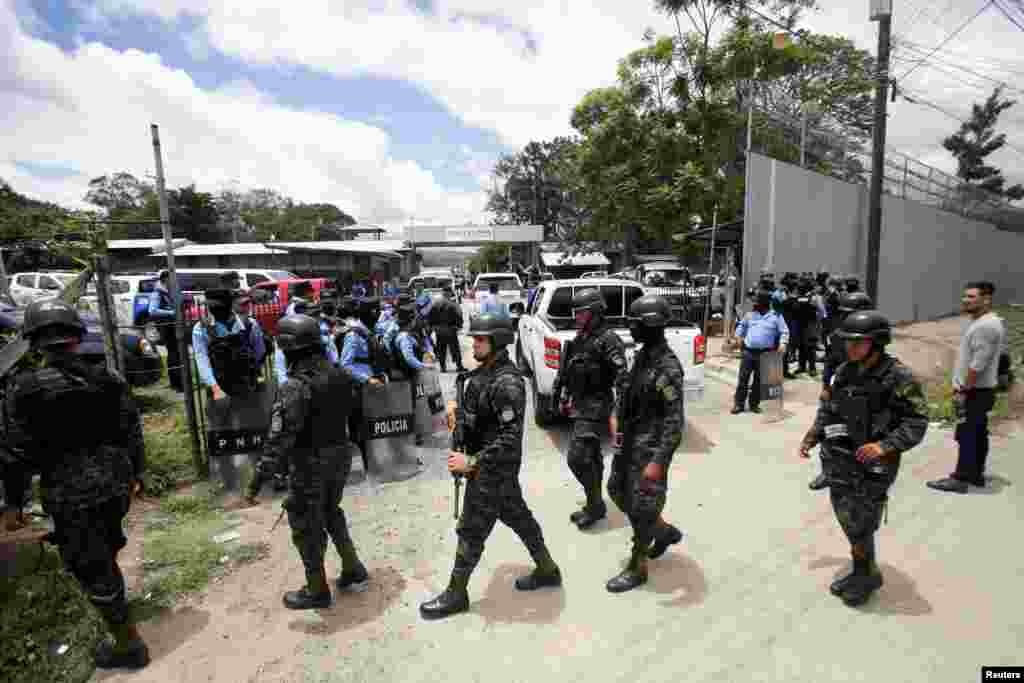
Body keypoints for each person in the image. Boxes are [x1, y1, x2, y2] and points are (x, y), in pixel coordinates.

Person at [3, 300, 149, 668]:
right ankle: (117, 608)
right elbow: (133, 431)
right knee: (106, 547)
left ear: (34, 342)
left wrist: (14, 504)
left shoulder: (24, 389)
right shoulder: (109, 378)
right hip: (115, 483)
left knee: (89, 564)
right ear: (77, 336)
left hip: (71, 492)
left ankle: (128, 645)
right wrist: (136, 473)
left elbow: (17, 453)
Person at [419, 313, 561, 619]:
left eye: (480, 339)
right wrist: (459, 420)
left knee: (471, 530)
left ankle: (456, 594)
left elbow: (510, 440)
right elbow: (479, 419)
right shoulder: (483, 373)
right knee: (519, 517)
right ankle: (548, 569)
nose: (474, 344)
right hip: (490, 471)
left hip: (491, 471)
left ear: (497, 342)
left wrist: (472, 461)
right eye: (474, 339)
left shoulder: (507, 383)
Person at [799, 310, 929, 607]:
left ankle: (867, 575)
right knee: (847, 518)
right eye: (848, 342)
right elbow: (830, 410)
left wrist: (885, 445)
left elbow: (917, 421)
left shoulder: (897, 376)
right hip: (842, 461)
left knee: (862, 522)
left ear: (877, 342)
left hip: (874, 466)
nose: (851, 347)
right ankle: (862, 570)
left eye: (859, 342)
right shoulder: (846, 370)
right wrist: (812, 436)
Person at [255, 314, 369, 608]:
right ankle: (353, 567)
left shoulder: (294, 385)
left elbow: (280, 436)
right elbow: (357, 416)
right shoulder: (340, 373)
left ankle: (316, 589)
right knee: (331, 510)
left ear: (289, 348)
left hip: (310, 461)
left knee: (306, 522)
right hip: (340, 455)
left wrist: (260, 476)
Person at [605, 295, 686, 592]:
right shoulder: (643, 356)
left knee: (642, 507)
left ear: (650, 325)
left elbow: (674, 422)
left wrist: (658, 461)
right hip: (628, 444)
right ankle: (661, 531)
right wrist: (616, 417)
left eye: (635, 324)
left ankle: (637, 567)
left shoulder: (668, 367)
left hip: (650, 449)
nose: (631, 329)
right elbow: (628, 392)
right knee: (615, 490)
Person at [551, 288, 628, 530]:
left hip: (597, 404)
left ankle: (595, 504)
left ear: (595, 313)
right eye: (576, 313)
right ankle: (595, 505)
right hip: (581, 403)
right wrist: (562, 393)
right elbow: (567, 370)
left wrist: (620, 412)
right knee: (590, 456)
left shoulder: (608, 340)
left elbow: (622, 376)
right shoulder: (580, 339)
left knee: (577, 457)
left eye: (581, 313)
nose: (577, 317)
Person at [927, 281, 1006, 493]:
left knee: (967, 434)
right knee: (977, 433)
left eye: (971, 297)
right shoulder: (986, 322)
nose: (965, 300)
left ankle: (961, 478)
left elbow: (977, 365)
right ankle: (975, 475)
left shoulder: (986, 326)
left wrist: (963, 391)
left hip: (974, 392)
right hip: (979, 391)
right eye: (965, 296)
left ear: (986, 299)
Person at [808, 291, 874, 491]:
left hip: (863, 395)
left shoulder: (874, 335)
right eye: (845, 313)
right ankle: (828, 472)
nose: (846, 317)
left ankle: (863, 474)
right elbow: (830, 361)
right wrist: (826, 387)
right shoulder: (838, 334)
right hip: (838, 391)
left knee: (862, 435)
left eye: (850, 313)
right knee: (830, 433)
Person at [732, 291, 789, 414]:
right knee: (743, 379)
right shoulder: (750, 315)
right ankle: (738, 404)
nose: (755, 304)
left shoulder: (776, 316)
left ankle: (754, 404)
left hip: (765, 353)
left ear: (765, 304)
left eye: (758, 302)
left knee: (758, 381)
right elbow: (741, 326)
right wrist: (738, 337)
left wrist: (782, 344)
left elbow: (784, 332)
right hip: (748, 352)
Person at [148, 270, 183, 392]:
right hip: (166, 326)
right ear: (164, 279)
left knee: (178, 354)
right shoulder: (157, 293)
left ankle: (179, 382)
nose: (175, 280)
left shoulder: (171, 291)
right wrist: (171, 312)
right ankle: (176, 383)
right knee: (174, 354)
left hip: (174, 325)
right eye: (172, 278)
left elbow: (179, 302)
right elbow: (152, 311)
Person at [431, 287, 465, 373]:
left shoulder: (436, 303)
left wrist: (433, 327)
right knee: (454, 348)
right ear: (450, 293)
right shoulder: (453, 304)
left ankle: (443, 367)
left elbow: (431, 316)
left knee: (441, 348)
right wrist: (459, 326)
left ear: (442, 293)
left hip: (440, 330)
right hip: (451, 330)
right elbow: (459, 315)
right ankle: (459, 366)